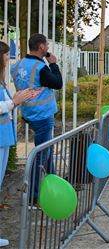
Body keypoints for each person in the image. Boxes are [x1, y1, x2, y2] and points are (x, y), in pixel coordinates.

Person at [11, 34, 62, 203]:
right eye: (46, 44)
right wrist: (53, 64)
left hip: (29, 113)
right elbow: (57, 83)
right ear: (41, 47)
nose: (48, 46)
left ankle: (55, 184)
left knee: (46, 152)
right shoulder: (41, 67)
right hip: (42, 115)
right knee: (41, 155)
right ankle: (32, 196)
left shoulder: (17, 65)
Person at [0, 41, 35, 247]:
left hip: (4, 139)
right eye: (6, 55)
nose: (8, 58)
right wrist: (14, 102)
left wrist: (18, 99)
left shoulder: (2, 81)